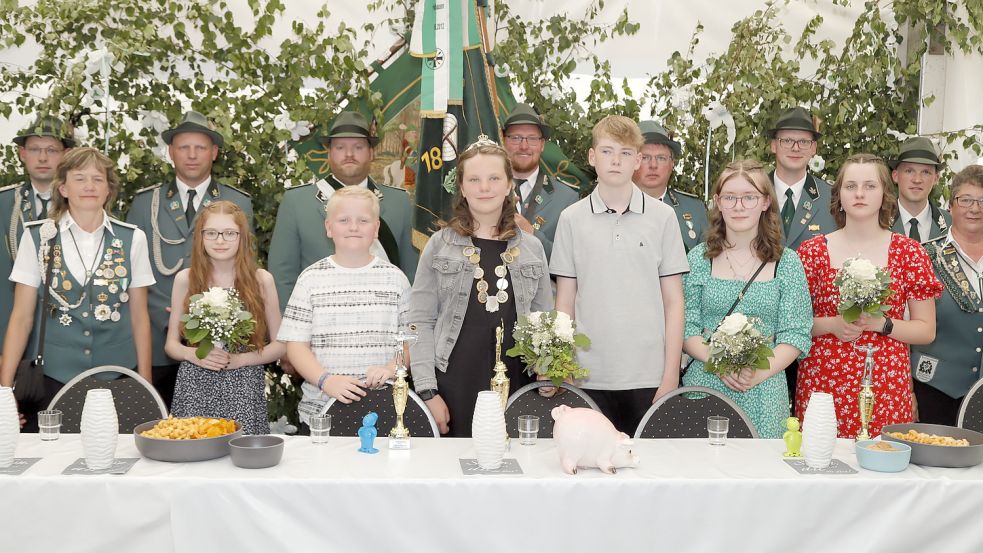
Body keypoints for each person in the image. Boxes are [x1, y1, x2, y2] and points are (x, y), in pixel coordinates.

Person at [551, 115, 688, 435]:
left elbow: (674, 302)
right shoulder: (571, 219)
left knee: (650, 475)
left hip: (649, 377)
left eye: (626, 153)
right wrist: (563, 367)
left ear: (638, 160)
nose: (616, 160)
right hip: (586, 374)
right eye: (608, 151)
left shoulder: (664, 218)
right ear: (591, 156)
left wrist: (670, 376)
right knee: (588, 472)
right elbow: (564, 303)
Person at [0, 147, 154, 431]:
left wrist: (146, 385)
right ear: (63, 188)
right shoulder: (37, 237)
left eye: (98, 179)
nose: (89, 186)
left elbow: (140, 318)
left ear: (109, 190)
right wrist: (4, 393)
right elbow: (21, 318)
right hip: (53, 378)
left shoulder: (134, 239)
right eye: (80, 178)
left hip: (118, 378)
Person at [409, 138, 552, 437]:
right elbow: (419, 321)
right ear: (461, 187)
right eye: (474, 179)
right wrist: (427, 392)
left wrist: (548, 370)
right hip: (452, 382)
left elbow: (544, 320)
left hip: (518, 382)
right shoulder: (439, 245)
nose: (484, 187)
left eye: (494, 178)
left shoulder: (533, 249)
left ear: (509, 185)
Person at [796, 153, 942, 438]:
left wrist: (883, 324)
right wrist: (833, 325)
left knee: (883, 469)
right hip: (824, 383)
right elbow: (794, 324)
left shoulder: (908, 252)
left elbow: (926, 331)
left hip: (885, 384)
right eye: (851, 186)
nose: (860, 194)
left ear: (885, 193)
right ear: (838, 194)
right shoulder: (812, 252)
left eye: (869, 186)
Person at [127, 110, 254, 408]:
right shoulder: (145, 203)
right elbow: (133, 275)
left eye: (200, 147)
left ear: (214, 152)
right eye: (184, 147)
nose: (192, 155)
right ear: (171, 152)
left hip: (221, 342)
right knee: (161, 426)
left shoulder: (238, 202)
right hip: (158, 340)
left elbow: (245, 271)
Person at [681, 160, 812, 439]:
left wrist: (759, 372)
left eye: (749, 197)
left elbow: (796, 333)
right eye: (730, 197)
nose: (739, 206)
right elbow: (686, 327)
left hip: (764, 390)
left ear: (765, 202)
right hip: (706, 384)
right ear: (717, 202)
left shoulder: (786, 263)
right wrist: (718, 364)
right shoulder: (699, 260)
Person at [277, 187, 412, 432]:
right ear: (329, 227)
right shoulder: (309, 279)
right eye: (344, 220)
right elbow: (296, 346)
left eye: (363, 220)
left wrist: (390, 369)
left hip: (383, 409)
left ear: (376, 229)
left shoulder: (396, 280)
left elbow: (408, 342)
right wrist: (325, 380)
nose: (354, 227)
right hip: (319, 414)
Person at [268, 111, 418, 313]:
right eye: (340, 147)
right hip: (319, 322)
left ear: (371, 153)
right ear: (329, 154)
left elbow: (412, 272)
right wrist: (295, 331)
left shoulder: (399, 201)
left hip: (385, 320)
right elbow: (282, 275)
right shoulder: (296, 202)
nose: (349, 154)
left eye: (358, 147)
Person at [164, 201, 283, 435]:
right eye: (211, 233)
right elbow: (171, 345)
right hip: (195, 384)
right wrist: (194, 355)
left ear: (243, 238)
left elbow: (280, 345)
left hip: (243, 384)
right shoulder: (185, 279)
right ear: (200, 237)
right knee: (194, 456)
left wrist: (241, 360)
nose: (220, 240)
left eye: (229, 233)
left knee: (241, 460)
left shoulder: (261, 280)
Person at [767, 106, 837, 402]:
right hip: (758, 327)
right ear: (773, 145)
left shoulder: (833, 198)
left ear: (814, 148)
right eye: (787, 140)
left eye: (804, 142)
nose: (795, 148)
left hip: (814, 332)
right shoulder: (750, 192)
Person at [912, 165, 983, 425]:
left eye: (982, 201)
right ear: (950, 205)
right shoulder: (923, 256)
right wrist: (906, 391)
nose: (974, 208)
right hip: (934, 390)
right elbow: (902, 332)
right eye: (965, 200)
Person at [0, 115, 74, 364]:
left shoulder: (84, 205)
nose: (43, 158)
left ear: (66, 154)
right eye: (34, 149)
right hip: (7, 332)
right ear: (22, 154)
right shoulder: (4, 205)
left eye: (52, 150)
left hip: (67, 340)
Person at [502, 103, 580, 261]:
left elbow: (571, 263)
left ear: (542, 145)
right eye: (516, 138)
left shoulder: (566, 198)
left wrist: (531, 234)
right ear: (504, 141)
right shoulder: (483, 191)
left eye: (532, 138)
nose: (524, 146)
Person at [633, 120, 708, 252]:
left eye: (661, 158)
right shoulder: (612, 207)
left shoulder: (695, 209)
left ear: (672, 163)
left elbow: (708, 264)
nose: (653, 165)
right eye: (645, 157)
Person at [889, 136, 950, 243]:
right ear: (895, 176)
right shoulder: (878, 221)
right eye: (909, 171)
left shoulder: (951, 224)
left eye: (925, 172)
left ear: (936, 178)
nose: (917, 180)